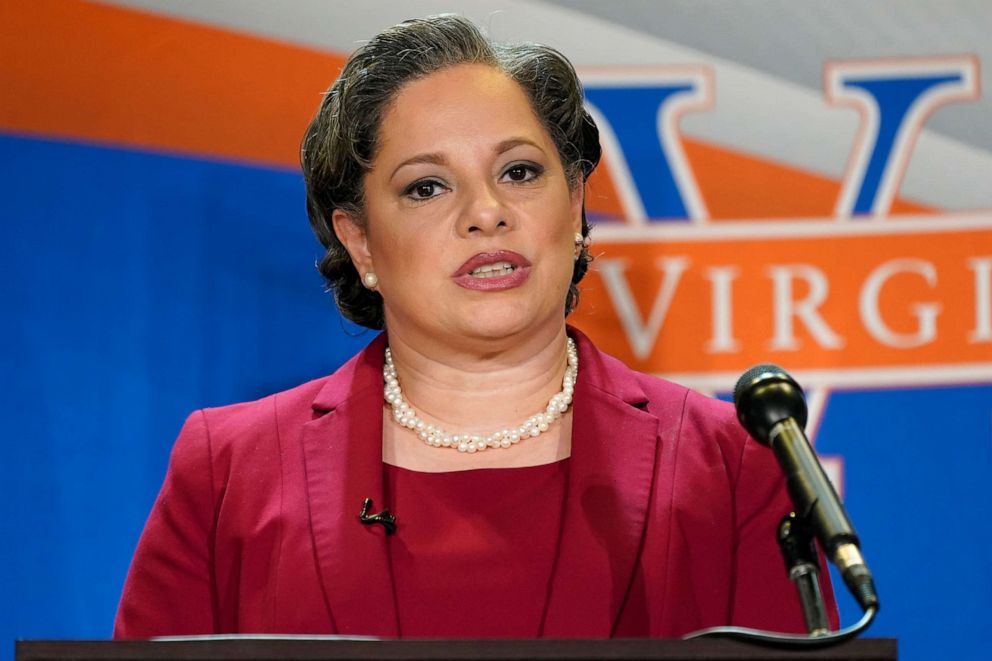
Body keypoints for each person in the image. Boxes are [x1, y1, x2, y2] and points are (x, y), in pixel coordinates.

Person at [114, 14, 836, 639]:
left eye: (520, 172)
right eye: (426, 186)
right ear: (360, 242)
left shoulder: (732, 467)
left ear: (576, 203)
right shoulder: (228, 472)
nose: (485, 211)